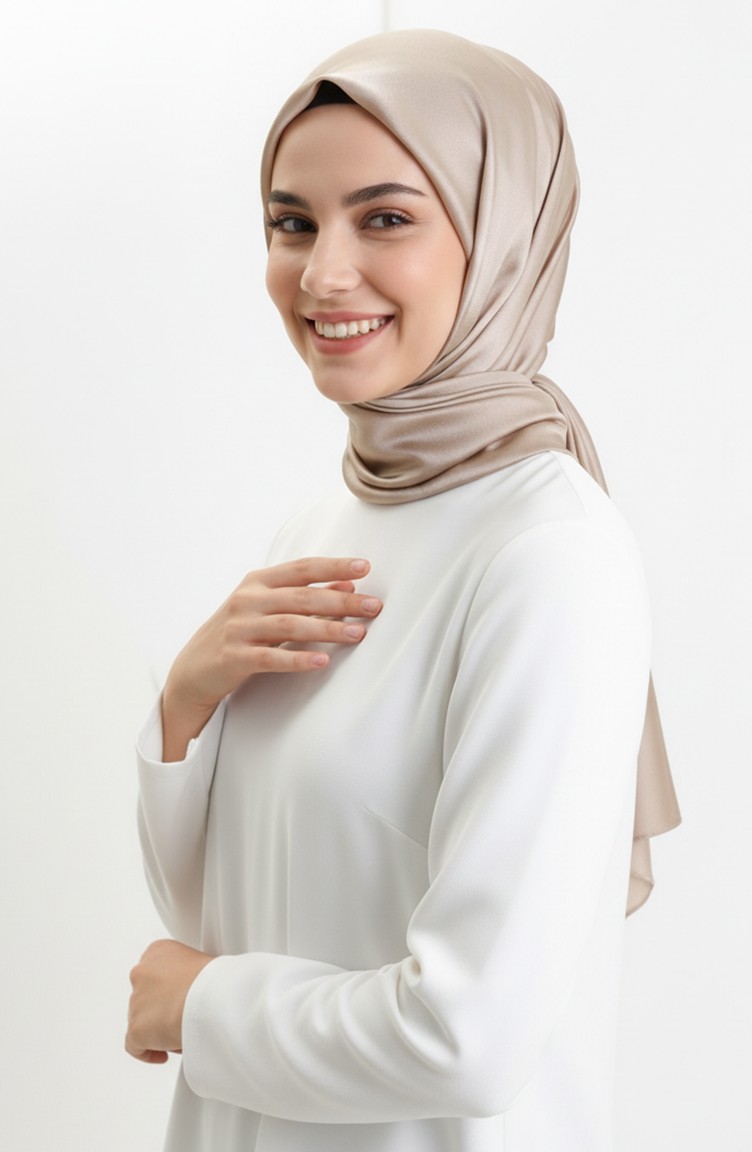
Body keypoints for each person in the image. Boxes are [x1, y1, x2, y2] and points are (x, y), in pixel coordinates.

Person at [126, 29, 680, 1152]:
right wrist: (183, 706)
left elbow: (465, 1036)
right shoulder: (322, 526)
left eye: (384, 218)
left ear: (504, 234)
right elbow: (223, 918)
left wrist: (202, 1008)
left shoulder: (546, 555)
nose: (321, 274)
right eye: (292, 222)